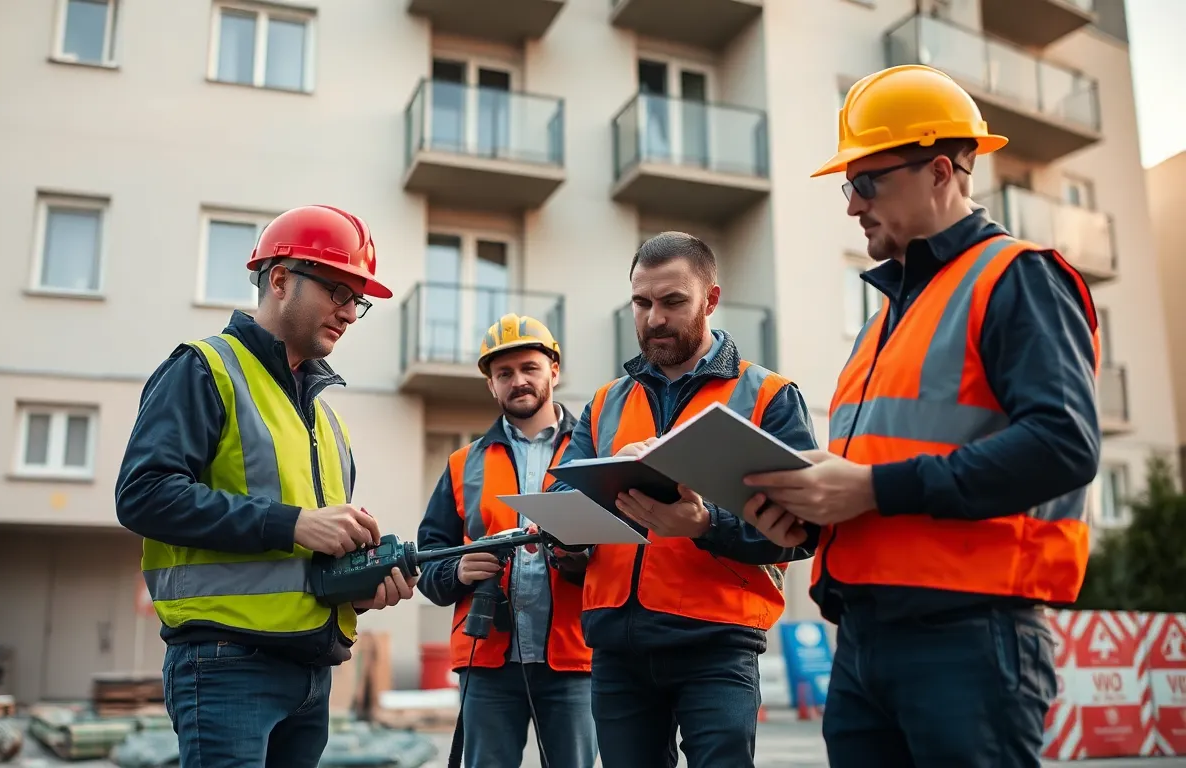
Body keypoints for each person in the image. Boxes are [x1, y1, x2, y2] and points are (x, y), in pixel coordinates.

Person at [742, 64, 1102, 768]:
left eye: (868, 182)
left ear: (940, 172)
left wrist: (872, 488)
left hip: (970, 638)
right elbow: (877, 477)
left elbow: (1064, 445)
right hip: (865, 641)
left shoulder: (1017, 277)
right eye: (850, 186)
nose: (853, 205)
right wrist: (807, 514)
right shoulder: (883, 322)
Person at [115, 205, 420, 768]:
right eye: (338, 290)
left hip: (310, 675)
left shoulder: (325, 420)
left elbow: (304, 558)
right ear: (279, 279)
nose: (350, 312)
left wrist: (355, 585)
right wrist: (295, 523)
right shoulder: (205, 368)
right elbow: (144, 494)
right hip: (226, 664)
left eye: (358, 299)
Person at [545, 233, 820, 768]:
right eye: (641, 302)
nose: (654, 319)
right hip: (616, 646)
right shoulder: (605, 403)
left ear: (710, 300)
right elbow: (562, 499)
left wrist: (705, 524)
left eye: (673, 301)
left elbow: (803, 529)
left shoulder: (767, 396)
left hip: (717, 643)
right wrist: (598, 491)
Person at [415, 314, 597, 768]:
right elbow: (428, 563)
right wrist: (458, 570)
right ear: (491, 386)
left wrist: (578, 558)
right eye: (504, 373)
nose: (518, 381)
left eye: (529, 368)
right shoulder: (462, 464)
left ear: (554, 370)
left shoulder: (593, 454)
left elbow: (626, 553)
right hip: (486, 661)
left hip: (575, 657)